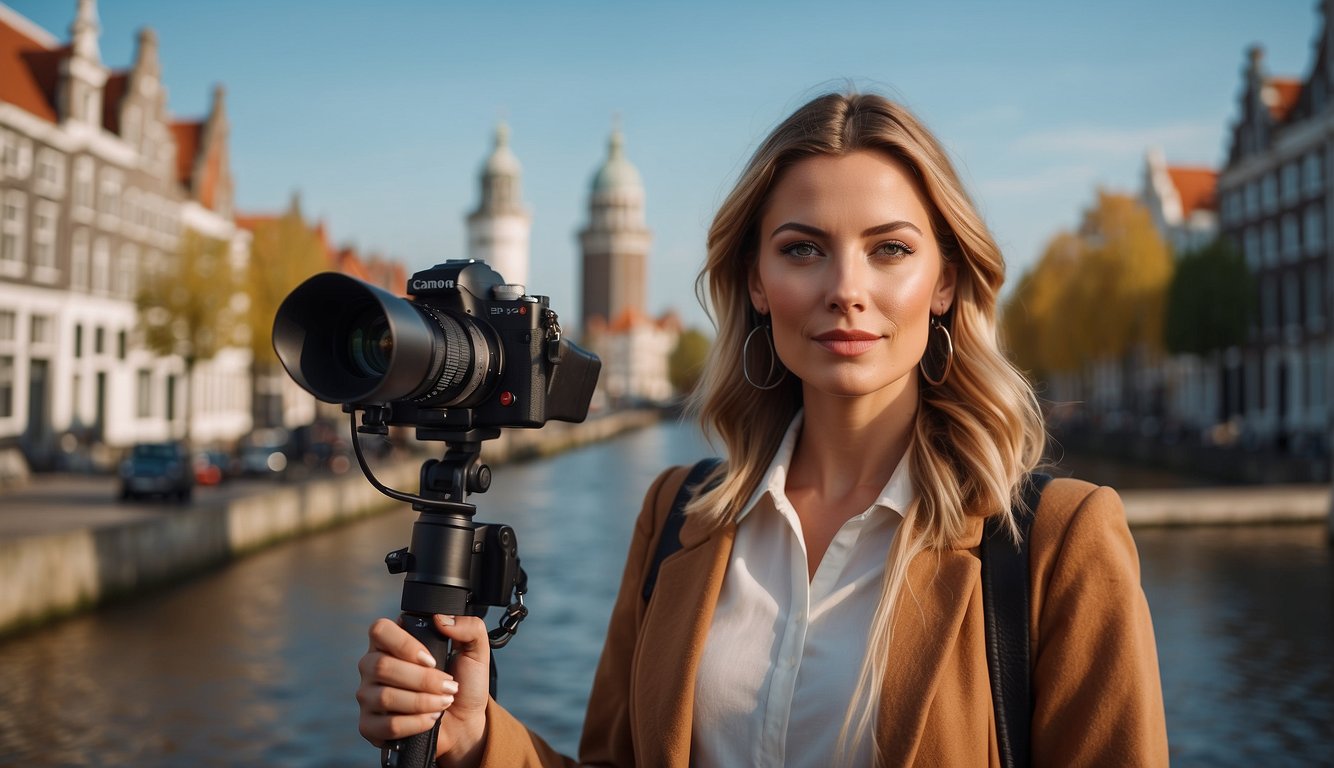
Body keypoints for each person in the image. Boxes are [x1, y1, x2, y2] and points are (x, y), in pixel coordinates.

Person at [355, 92, 1170, 767]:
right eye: (803, 249)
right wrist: (479, 741)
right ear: (755, 279)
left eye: (889, 249)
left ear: (946, 279)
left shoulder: (1058, 545)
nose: (846, 289)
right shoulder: (678, 516)